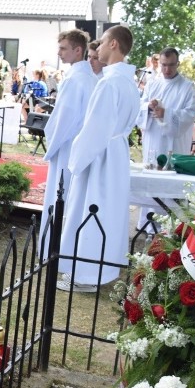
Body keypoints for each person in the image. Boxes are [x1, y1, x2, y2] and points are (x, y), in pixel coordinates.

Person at [64, 26, 139, 290]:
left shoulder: (109, 83)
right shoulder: (128, 82)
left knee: (91, 209)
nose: (99, 48)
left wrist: (74, 161)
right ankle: (103, 269)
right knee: (108, 212)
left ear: (115, 45)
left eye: (104, 42)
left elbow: (95, 128)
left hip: (102, 155)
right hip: (116, 153)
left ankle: (86, 274)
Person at [37, 29, 98, 292]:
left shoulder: (76, 79)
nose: (59, 53)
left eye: (63, 48)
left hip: (67, 148)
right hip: (78, 148)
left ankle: (56, 253)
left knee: (60, 199)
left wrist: (51, 144)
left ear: (77, 50)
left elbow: (64, 119)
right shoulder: (88, 77)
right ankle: (63, 252)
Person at [135, 47, 195, 234]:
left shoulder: (187, 86)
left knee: (169, 182)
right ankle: (148, 224)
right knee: (151, 178)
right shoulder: (153, 83)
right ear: (159, 63)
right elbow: (140, 107)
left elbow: (190, 114)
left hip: (173, 145)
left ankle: (171, 227)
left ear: (177, 64)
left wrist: (167, 114)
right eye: (163, 65)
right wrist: (149, 106)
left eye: (171, 65)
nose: (167, 69)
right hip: (153, 139)